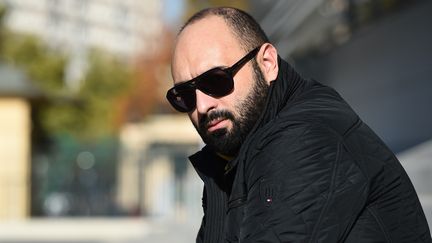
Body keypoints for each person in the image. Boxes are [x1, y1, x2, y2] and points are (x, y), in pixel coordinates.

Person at [166, 7, 431, 243]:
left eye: (215, 80)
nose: (202, 106)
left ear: (267, 64)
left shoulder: (305, 139)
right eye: (185, 96)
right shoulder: (231, 161)